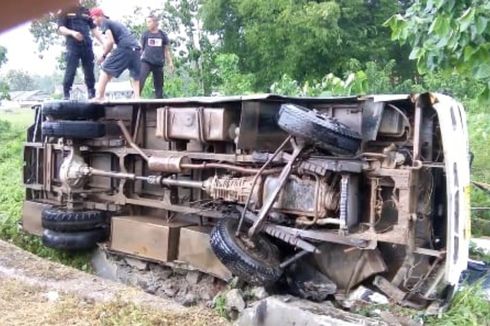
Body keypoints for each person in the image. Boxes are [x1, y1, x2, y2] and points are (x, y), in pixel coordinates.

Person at [89, 8, 141, 101]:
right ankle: (137, 98)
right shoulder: (113, 22)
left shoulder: (104, 22)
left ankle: (99, 96)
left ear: (99, 16)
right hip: (136, 49)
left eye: (93, 19)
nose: (93, 22)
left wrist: (103, 56)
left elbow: (110, 42)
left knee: (105, 68)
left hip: (125, 47)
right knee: (135, 75)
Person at [58, 1, 103, 100]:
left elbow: (94, 29)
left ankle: (91, 92)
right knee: (71, 69)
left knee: (89, 69)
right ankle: (66, 93)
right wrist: (72, 33)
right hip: (73, 44)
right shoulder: (64, 10)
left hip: (86, 44)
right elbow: (61, 28)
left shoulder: (86, 11)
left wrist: (103, 43)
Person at [139, 15, 174, 99]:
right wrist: (136, 61)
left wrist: (170, 62)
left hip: (158, 63)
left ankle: (158, 103)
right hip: (146, 61)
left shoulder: (162, 35)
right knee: (141, 78)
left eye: (149, 22)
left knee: (159, 86)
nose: (147, 24)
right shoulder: (145, 34)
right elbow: (141, 49)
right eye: (147, 22)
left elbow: (166, 50)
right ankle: (136, 96)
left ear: (155, 23)